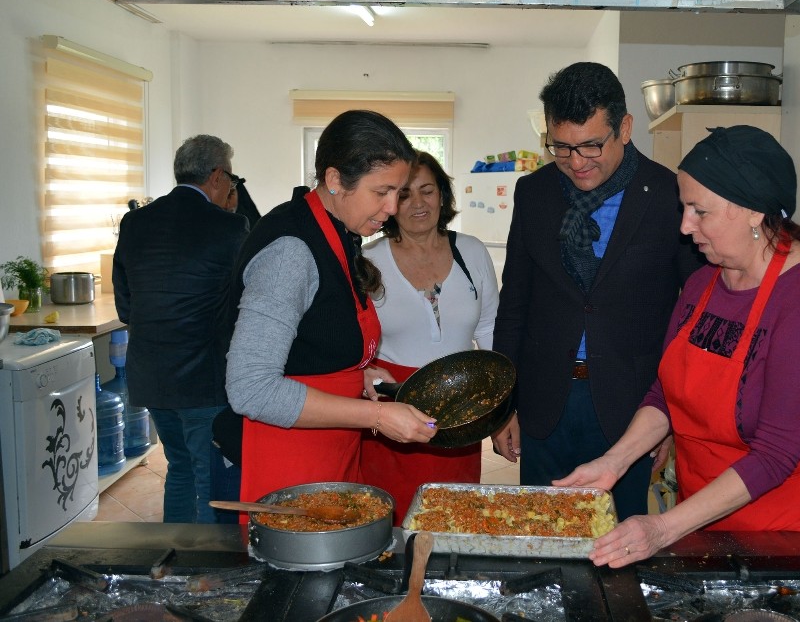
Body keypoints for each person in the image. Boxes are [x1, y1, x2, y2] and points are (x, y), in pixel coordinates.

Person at [555, 125, 800, 567]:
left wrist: (662, 527)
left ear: (754, 212)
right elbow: (665, 393)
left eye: (700, 211)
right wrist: (615, 461)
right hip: (704, 520)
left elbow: (775, 456)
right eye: (684, 208)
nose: (685, 226)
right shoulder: (704, 283)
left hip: (788, 535)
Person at [490, 62, 702, 519]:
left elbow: (692, 315)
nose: (577, 162)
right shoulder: (534, 193)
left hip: (631, 405)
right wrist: (503, 405)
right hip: (545, 403)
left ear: (624, 129)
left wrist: (670, 419)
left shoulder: (668, 195)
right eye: (561, 147)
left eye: (590, 145)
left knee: (619, 541)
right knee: (543, 530)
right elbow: (514, 307)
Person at [223, 110, 438, 507]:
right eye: (381, 192)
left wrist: (358, 374)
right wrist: (376, 417)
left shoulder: (341, 230)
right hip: (290, 460)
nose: (393, 207)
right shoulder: (291, 251)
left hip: (332, 450)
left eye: (399, 191)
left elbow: (312, 338)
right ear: (336, 180)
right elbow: (250, 388)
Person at [112, 134, 250, 523]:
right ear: (218, 176)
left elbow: (126, 305)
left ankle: (175, 560)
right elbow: (242, 305)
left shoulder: (135, 221)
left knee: (179, 469)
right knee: (208, 478)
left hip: (151, 373)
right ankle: (205, 571)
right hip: (203, 377)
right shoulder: (229, 227)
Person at [361, 152, 500, 524]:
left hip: (462, 405)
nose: (418, 204)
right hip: (391, 404)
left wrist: (504, 409)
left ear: (443, 195)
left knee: (453, 514)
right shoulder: (367, 260)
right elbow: (354, 343)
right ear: (390, 202)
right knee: (390, 518)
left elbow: (489, 329)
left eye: (428, 190)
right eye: (405, 194)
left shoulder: (471, 251)